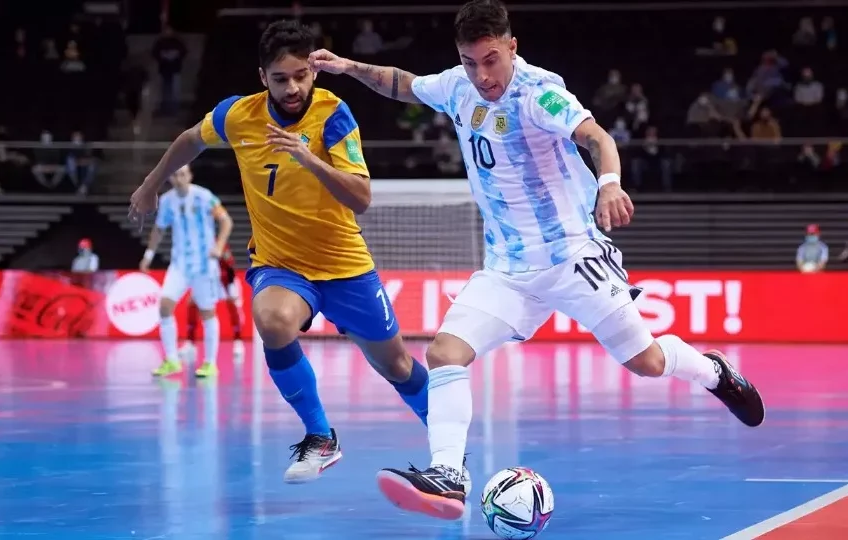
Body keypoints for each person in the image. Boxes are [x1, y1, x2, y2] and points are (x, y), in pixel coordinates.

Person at [309, 0, 765, 520]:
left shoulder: (538, 94)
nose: (482, 75)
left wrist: (609, 184)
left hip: (573, 256)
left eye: (490, 60)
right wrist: (348, 67)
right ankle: (449, 475)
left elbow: (597, 138)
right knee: (443, 353)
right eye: (469, 61)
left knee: (647, 362)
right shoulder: (458, 85)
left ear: (511, 48)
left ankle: (713, 372)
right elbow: (402, 82)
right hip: (507, 269)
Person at [128, 20, 470, 487]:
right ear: (262, 77)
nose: (293, 87)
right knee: (271, 321)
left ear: (314, 72)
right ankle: (320, 436)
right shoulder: (238, 116)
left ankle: (450, 452)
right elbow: (191, 138)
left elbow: (361, 198)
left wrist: (308, 157)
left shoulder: (333, 115)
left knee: (398, 366)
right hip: (282, 265)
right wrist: (150, 186)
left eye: (301, 76)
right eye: (281, 78)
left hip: (346, 267)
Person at [140, 164, 233, 378]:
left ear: (189, 175)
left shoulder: (203, 196)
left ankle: (210, 363)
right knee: (164, 306)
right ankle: (172, 360)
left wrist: (219, 246)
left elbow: (226, 221)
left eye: (183, 174)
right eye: (175, 174)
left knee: (207, 312)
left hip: (203, 265)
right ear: (171, 178)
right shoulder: (166, 202)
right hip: (179, 264)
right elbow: (159, 229)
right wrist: (148, 256)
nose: (179, 177)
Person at [179, 243, 246, 362]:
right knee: (191, 302)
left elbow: (229, 262)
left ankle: (238, 342)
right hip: (206, 280)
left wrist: (221, 255)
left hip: (224, 279)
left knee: (233, 305)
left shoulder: (218, 242)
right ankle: (190, 343)